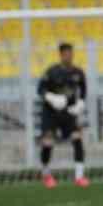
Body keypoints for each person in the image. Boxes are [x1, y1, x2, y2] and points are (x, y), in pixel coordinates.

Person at [36, 41, 89, 188]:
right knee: (48, 142)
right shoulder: (52, 71)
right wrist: (51, 98)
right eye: (65, 53)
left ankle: (79, 176)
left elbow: (84, 91)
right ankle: (46, 174)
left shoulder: (78, 72)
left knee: (77, 138)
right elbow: (40, 89)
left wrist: (80, 104)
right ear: (61, 55)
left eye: (70, 53)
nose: (68, 56)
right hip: (51, 112)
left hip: (68, 112)